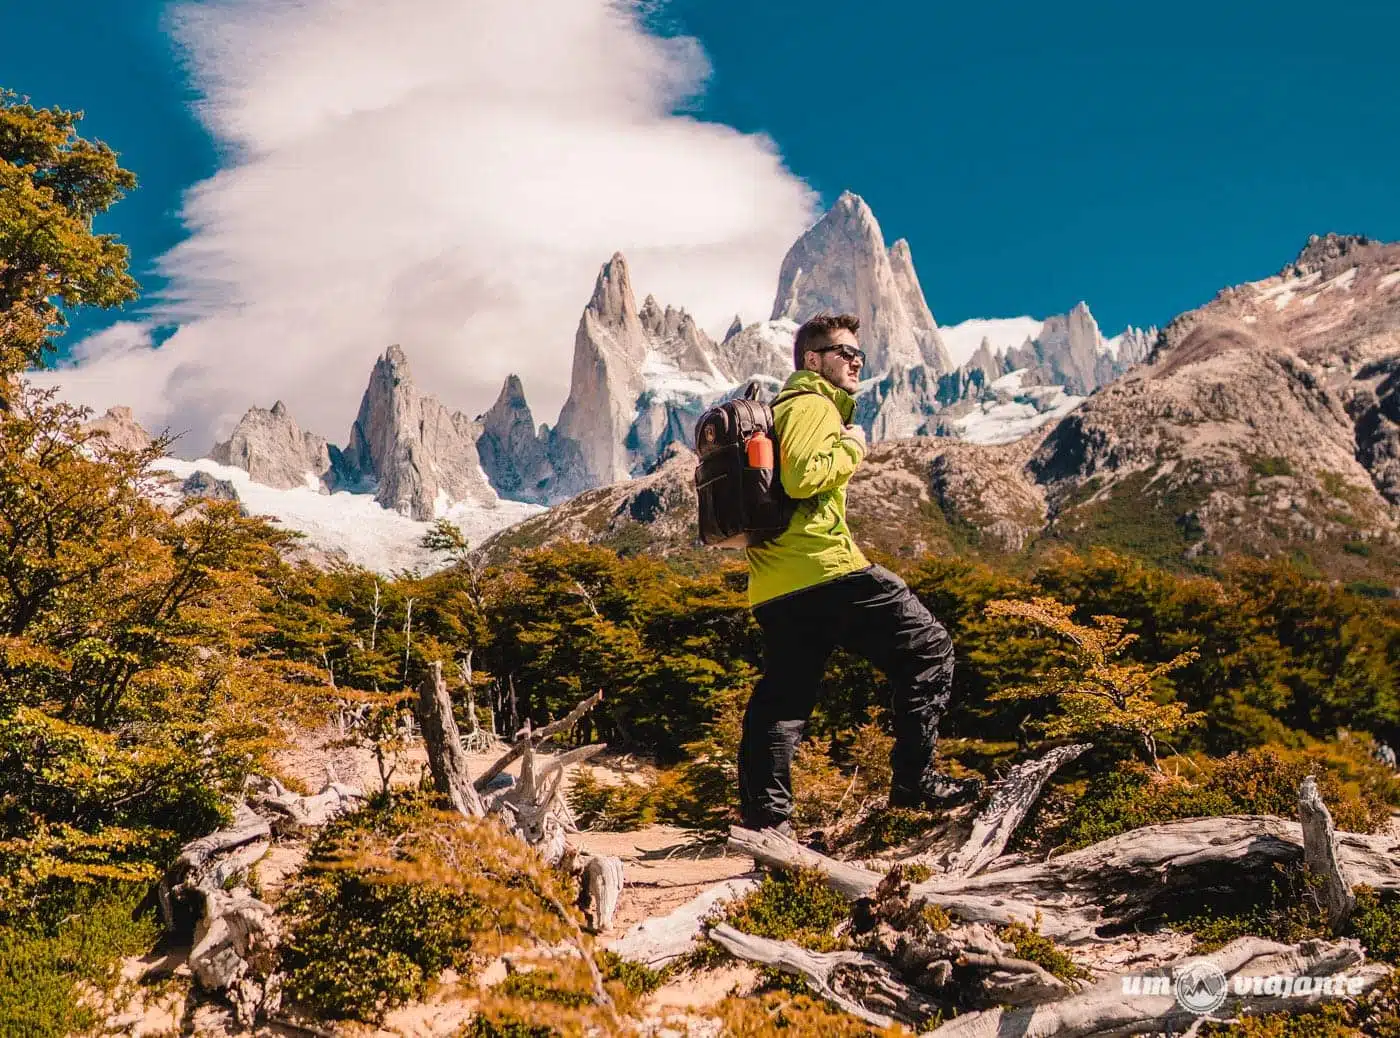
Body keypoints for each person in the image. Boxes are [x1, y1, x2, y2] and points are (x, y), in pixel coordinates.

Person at [737, 312, 982, 834]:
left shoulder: (786, 409)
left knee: (783, 701)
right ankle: (915, 782)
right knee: (929, 647)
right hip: (827, 572)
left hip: (776, 587)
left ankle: (767, 823)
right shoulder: (810, 403)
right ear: (811, 360)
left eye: (858, 355)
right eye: (844, 353)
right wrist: (853, 444)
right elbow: (803, 478)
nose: (855, 363)